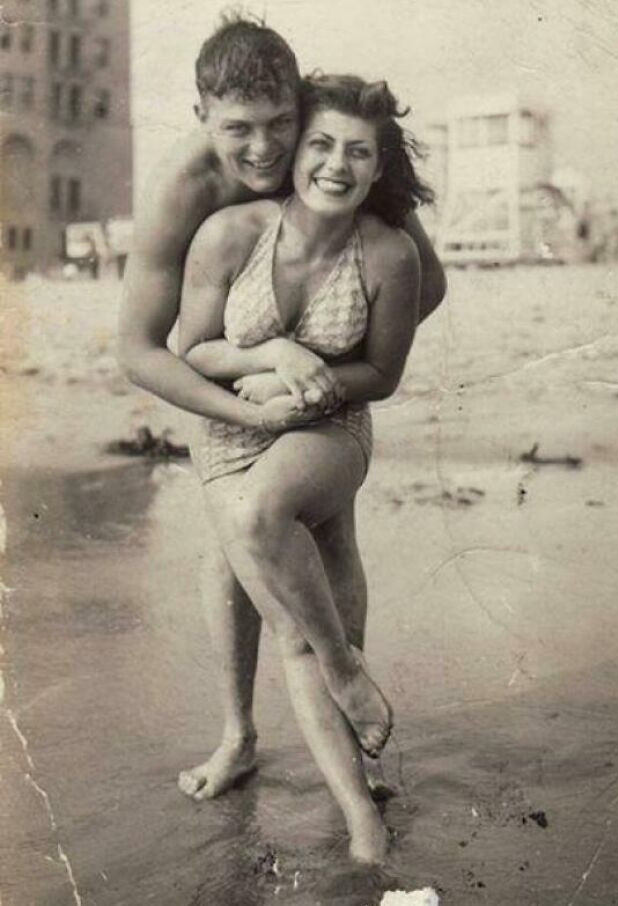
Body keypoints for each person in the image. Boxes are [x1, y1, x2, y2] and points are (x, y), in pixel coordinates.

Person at [118, 15, 445, 804]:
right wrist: (254, 393)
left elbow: (424, 284)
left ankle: (352, 738)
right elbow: (139, 349)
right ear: (202, 117)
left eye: (278, 127)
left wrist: (323, 370)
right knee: (232, 547)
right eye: (237, 130)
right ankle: (238, 735)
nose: (262, 150)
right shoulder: (186, 187)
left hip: (319, 385)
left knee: (333, 542)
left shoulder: (330, 149)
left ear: (299, 108)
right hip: (228, 379)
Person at [175, 71, 430, 864]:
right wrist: (275, 352)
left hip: (329, 425)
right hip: (225, 432)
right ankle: (354, 796)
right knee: (282, 613)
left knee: (260, 524)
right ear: (295, 152)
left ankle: (348, 685)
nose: (336, 164)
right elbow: (191, 349)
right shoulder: (231, 233)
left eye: (358, 151)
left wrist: (306, 390)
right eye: (320, 144)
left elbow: (380, 375)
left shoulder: (389, 252)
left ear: (379, 166)